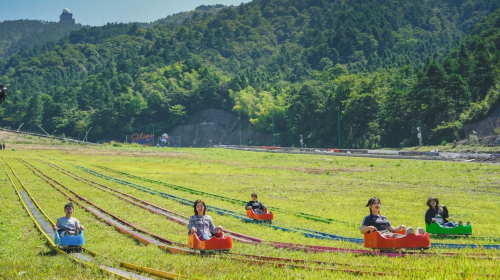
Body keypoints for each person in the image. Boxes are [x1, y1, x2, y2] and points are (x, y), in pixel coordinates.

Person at [360, 197, 425, 237]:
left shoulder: (383, 218)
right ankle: (412, 239)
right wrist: (369, 227)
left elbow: (392, 229)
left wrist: (400, 227)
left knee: (395, 234)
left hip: (388, 234)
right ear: (370, 206)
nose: (377, 204)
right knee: (394, 235)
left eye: (378, 203)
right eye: (374, 203)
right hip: (380, 236)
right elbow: (362, 231)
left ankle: (414, 238)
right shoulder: (368, 218)